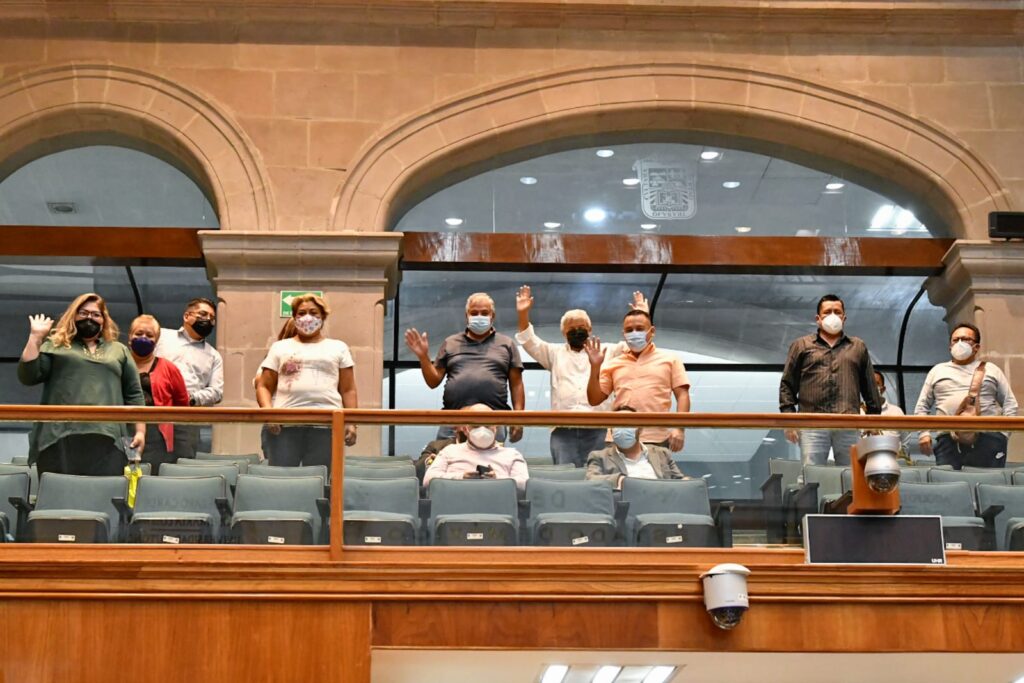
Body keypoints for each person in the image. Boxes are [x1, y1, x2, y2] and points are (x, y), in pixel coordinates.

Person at [515, 285, 647, 467]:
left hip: (598, 428)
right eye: (572, 328)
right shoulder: (554, 353)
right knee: (565, 476)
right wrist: (523, 313)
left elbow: (636, 344)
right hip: (563, 430)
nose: (577, 330)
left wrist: (641, 312)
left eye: (581, 327)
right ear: (563, 332)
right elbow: (529, 340)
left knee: (600, 475)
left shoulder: (608, 350)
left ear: (590, 329)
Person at [17, 293, 146, 476]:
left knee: (103, 498)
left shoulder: (119, 350)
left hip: (109, 438)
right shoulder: (55, 345)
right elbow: (28, 376)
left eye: (95, 314)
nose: (89, 318)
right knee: (61, 496)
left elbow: (134, 394)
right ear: (73, 316)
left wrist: (140, 432)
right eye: (83, 313)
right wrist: (35, 338)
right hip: (59, 437)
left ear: (103, 320)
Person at [405, 292, 525, 442]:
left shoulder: (507, 344)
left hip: (493, 420)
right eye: (474, 313)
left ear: (492, 316)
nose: (479, 316)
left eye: (484, 313)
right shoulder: (450, 342)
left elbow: (516, 383)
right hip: (452, 420)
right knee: (448, 463)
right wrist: (423, 357)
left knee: (489, 464)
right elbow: (433, 381)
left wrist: (518, 419)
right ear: (466, 315)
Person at [256, 293, 358, 469]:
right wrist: (269, 413)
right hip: (285, 426)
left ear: (323, 317)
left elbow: (348, 389)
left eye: (313, 312)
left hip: (327, 425)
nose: (307, 317)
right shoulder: (280, 347)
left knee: (321, 478)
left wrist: (352, 422)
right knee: (283, 478)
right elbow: (264, 385)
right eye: (301, 313)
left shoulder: (338, 347)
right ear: (294, 317)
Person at [779, 294, 881, 466]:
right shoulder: (801, 345)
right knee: (812, 474)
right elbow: (787, 384)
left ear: (844, 317)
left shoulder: (857, 346)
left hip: (849, 422)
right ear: (818, 319)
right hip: (812, 423)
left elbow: (869, 386)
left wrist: (874, 419)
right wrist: (789, 420)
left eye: (837, 311)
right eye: (827, 312)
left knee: (851, 475)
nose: (833, 315)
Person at [914, 322, 1018, 469]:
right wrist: (923, 434)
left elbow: (1010, 404)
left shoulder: (992, 370)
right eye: (956, 340)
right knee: (949, 486)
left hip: (988, 438)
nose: (960, 343)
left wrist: (1002, 435)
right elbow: (922, 406)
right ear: (950, 346)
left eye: (965, 339)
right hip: (947, 439)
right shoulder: (937, 371)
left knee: (987, 483)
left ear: (976, 347)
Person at [584, 309, 690, 451]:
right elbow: (594, 399)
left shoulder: (670, 359)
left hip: (656, 438)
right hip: (618, 438)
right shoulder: (613, 363)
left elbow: (682, 395)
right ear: (624, 334)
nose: (634, 333)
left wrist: (680, 429)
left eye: (639, 329)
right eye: (629, 330)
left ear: (651, 331)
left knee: (656, 473)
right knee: (617, 474)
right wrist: (595, 367)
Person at [156, 297, 224, 459]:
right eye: (202, 314)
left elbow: (216, 391)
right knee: (150, 463)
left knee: (182, 464)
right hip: (155, 413)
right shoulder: (162, 337)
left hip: (186, 418)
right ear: (187, 316)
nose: (207, 320)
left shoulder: (213, 355)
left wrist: (191, 399)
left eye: (212, 318)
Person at [127, 315, 190, 474]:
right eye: (139, 333)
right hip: (123, 430)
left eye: (149, 336)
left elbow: (183, 406)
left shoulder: (169, 368)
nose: (143, 338)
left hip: (158, 438)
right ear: (129, 337)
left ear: (156, 341)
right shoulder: (119, 363)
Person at [422, 404, 529, 491]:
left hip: (497, 510)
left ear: (496, 427)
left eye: (487, 425)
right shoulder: (449, 451)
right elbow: (428, 480)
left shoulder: (512, 454)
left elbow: (525, 484)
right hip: (454, 508)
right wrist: (461, 477)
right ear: (465, 429)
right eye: (476, 425)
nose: (482, 430)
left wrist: (498, 480)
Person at [585, 407, 688, 488]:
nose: (622, 428)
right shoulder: (599, 456)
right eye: (617, 424)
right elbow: (591, 480)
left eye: (628, 423)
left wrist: (691, 483)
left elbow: (679, 480)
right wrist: (619, 480)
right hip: (626, 509)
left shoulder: (662, 453)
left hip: (661, 505)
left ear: (640, 429)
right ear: (610, 430)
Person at [868, 370, 914, 459]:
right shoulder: (859, 412)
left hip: (893, 461)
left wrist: (901, 459)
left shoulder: (896, 412)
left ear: (883, 389)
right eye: (870, 384)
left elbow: (906, 441)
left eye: (877, 384)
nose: (873, 387)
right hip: (865, 462)